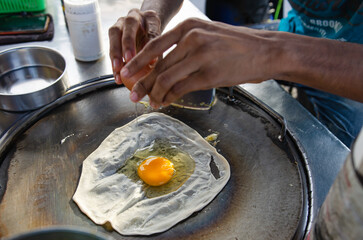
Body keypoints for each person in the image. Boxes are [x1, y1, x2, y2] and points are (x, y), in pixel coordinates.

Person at [108, 0, 363, 147]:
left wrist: (273, 52)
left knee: (327, 162)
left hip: (349, 66)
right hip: (294, 32)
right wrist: (151, 15)